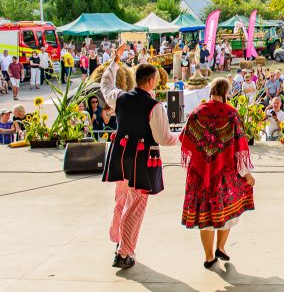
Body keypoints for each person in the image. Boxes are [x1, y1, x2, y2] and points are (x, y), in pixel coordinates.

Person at [101, 44, 179, 269]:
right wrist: (181, 137)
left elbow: (106, 86)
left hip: (121, 156)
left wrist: (115, 62)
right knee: (136, 205)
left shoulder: (121, 97)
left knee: (122, 199)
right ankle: (123, 252)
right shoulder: (154, 107)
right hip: (141, 161)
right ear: (152, 81)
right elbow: (163, 138)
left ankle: (118, 240)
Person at [180, 77, 256, 269]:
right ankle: (220, 247)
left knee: (205, 215)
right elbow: (240, 149)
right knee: (227, 210)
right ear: (226, 93)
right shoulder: (231, 114)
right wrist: (246, 174)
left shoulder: (196, 113)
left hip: (200, 173)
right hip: (225, 173)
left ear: (210, 91)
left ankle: (208, 257)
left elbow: (185, 140)